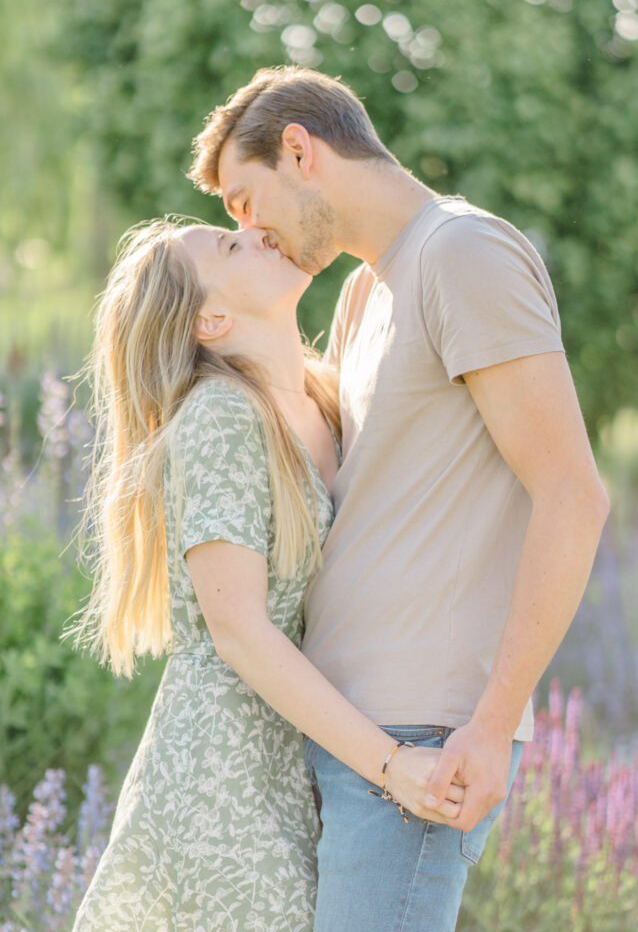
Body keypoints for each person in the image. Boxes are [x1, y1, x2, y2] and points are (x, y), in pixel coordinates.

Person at [188, 66, 611, 932]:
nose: (247, 228)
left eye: (243, 199)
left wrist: (489, 728)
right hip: (354, 738)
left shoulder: (463, 253)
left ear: (300, 151)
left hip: (425, 746)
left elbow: (572, 493)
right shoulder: (361, 294)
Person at [70, 218, 464, 932]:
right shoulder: (220, 417)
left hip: (300, 759)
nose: (252, 231)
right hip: (224, 780)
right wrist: (390, 764)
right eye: (227, 245)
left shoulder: (323, 402)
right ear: (210, 319)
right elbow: (241, 633)